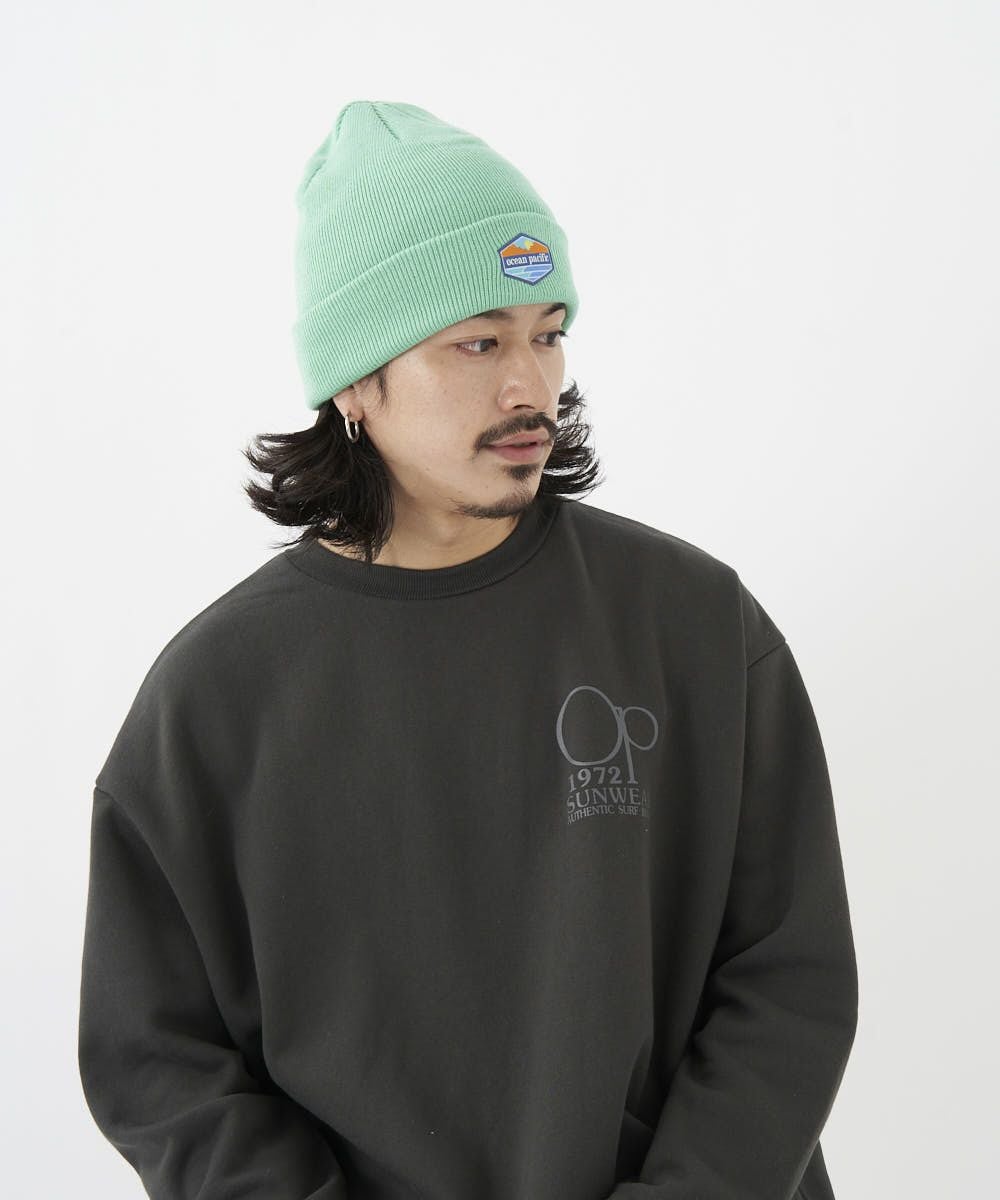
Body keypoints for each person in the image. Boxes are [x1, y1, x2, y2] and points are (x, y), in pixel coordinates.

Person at [77, 100, 858, 1200]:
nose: (532, 386)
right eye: (478, 341)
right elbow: (158, 1059)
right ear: (356, 379)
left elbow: (786, 980)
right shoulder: (215, 699)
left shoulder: (695, 625)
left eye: (548, 332)